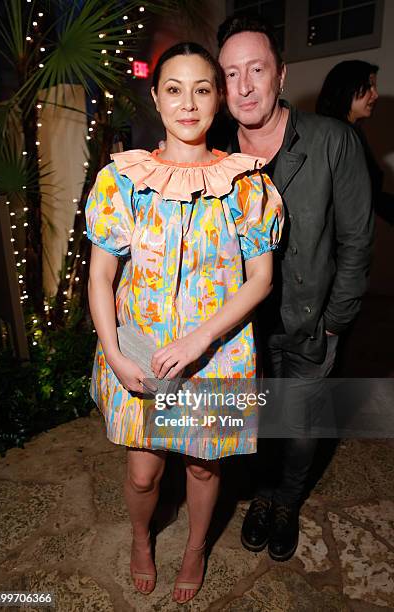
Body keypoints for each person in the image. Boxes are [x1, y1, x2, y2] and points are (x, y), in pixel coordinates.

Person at [86, 42, 283, 603]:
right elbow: (101, 279)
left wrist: (200, 338)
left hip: (216, 355)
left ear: (218, 99)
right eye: (174, 89)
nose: (188, 103)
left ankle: (196, 548)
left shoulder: (246, 183)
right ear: (156, 97)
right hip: (139, 352)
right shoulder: (123, 179)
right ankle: (140, 537)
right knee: (144, 474)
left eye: (202, 89)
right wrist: (115, 354)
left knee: (202, 470)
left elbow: (261, 279)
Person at [216, 14, 374, 561]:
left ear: (280, 75)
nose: (245, 86)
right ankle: (261, 493)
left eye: (256, 69)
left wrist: (336, 320)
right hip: (238, 330)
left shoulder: (335, 141)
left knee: (303, 426)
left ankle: (286, 500)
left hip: (311, 323)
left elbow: (357, 241)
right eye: (232, 73)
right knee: (258, 420)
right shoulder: (212, 153)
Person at [316, 60, 394, 224]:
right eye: (369, 86)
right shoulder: (336, 135)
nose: (375, 94)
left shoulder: (349, 132)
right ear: (347, 88)